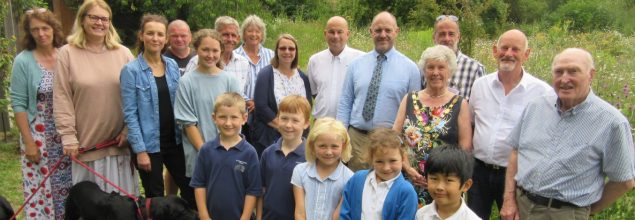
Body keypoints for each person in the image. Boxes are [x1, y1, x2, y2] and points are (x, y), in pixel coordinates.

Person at [500, 48, 635, 220]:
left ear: (591, 74)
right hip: (521, 207)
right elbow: (516, 151)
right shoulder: (536, 107)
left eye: (573, 71)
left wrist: (587, 210)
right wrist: (509, 199)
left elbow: (624, 181)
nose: (564, 79)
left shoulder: (612, 122)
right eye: (559, 72)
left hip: (565, 213)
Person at [54, 0, 139, 195]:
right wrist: (68, 136)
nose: (100, 23)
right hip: (86, 147)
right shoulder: (67, 54)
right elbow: (62, 97)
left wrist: (128, 130)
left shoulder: (123, 53)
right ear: (82, 20)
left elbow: (136, 96)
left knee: (120, 207)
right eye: (94, 17)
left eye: (105, 19)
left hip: (118, 146)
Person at [467, 29, 552, 219]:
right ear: (495, 51)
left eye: (516, 49)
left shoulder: (542, 93)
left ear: (526, 54)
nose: (508, 53)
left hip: (517, 175)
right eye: (504, 48)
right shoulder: (480, 85)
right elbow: (472, 123)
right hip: (479, 171)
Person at [119, 14, 194, 207]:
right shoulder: (131, 71)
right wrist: (140, 151)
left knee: (191, 190)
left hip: (175, 141)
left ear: (166, 38)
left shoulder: (171, 65)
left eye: (160, 34)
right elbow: (130, 114)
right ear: (142, 36)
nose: (155, 38)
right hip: (149, 145)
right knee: (156, 199)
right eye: (150, 33)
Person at [337, 11, 421, 171]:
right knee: (357, 186)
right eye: (378, 30)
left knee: (385, 187)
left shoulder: (411, 69)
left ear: (396, 31)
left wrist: (402, 145)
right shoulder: (356, 65)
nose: (383, 35)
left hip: (389, 141)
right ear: (371, 32)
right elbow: (345, 102)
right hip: (358, 138)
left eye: (388, 30)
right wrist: (341, 135)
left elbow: (413, 113)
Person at [393, 45, 472, 205]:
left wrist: (443, 179)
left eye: (441, 67)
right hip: (409, 181)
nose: (435, 72)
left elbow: (465, 149)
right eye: (430, 67)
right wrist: (407, 167)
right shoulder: (409, 99)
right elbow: (394, 139)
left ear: (449, 71)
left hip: (443, 185)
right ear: (424, 70)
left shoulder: (460, 104)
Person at [10, 7, 69, 219]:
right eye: (35, 30)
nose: (41, 34)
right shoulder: (23, 61)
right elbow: (18, 103)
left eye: (45, 28)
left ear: (54, 28)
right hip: (40, 135)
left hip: (67, 133)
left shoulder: (67, 53)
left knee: (72, 186)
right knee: (43, 190)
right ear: (29, 33)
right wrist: (28, 142)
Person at [174, 29, 241, 178]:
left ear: (221, 51)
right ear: (196, 49)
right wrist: (207, 152)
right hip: (200, 155)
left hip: (229, 153)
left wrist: (226, 151)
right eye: (205, 50)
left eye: (215, 50)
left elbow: (237, 118)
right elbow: (188, 123)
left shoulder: (230, 80)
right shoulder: (186, 82)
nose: (210, 55)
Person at [190, 92, 262, 220]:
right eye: (223, 117)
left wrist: (244, 218)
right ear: (214, 118)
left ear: (244, 118)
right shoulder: (206, 150)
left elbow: (253, 190)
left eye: (234, 117)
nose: (228, 123)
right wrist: (204, 216)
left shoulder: (250, 153)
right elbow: (199, 185)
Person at [340, 128, 418, 220]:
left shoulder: (406, 192)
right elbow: (345, 212)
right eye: (379, 161)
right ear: (371, 159)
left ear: (403, 159)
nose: (386, 168)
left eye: (393, 161)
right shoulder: (357, 179)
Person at [252, 34, 312, 155]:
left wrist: (296, 130)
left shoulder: (302, 77)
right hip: (270, 137)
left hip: (297, 139)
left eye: (291, 48)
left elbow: (307, 106)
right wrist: (284, 128)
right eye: (283, 48)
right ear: (276, 51)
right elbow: (261, 106)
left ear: (296, 52)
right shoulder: (265, 75)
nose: (287, 52)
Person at [258, 95, 311, 220]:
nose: (288, 125)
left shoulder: (311, 157)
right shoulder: (268, 153)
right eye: (284, 118)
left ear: (306, 123)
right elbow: (261, 190)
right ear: (277, 119)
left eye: (295, 120)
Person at [292, 117, 354, 220]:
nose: (328, 152)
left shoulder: (350, 178)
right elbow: (300, 213)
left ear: (343, 146)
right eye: (322, 146)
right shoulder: (300, 171)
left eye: (334, 146)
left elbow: (338, 216)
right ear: (312, 146)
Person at [307, 16, 364, 118]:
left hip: (349, 125)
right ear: (325, 34)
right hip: (322, 123)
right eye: (331, 32)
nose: (335, 36)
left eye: (340, 32)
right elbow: (314, 92)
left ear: (347, 34)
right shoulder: (314, 60)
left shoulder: (361, 59)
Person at [234, 15, 275, 144]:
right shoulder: (235, 55)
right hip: (242, 111)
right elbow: (234, 83)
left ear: (262, 35)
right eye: (250, 30)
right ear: (243, 34)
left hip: (266, 114)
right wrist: (248, 101)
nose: (254, 34)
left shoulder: (271, 55)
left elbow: (276, 80)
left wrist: (261, 103)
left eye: (258, 31)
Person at [416, 146, 480, 220]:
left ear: (466, 185)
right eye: (434, 178)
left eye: (448, 180)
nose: (439, 187)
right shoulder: (421, 215)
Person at [431, 15, 484, 99]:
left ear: (458, 37)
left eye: (451, 34)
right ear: (434, 37)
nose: (447, 39)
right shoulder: (424, 68)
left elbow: (479, 106)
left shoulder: (474, 69)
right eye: (442, 34)